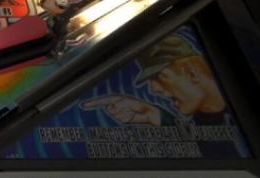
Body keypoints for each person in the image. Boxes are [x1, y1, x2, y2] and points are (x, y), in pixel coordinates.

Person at [80, 35, 231, 128]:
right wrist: (157, 116)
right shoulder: (208, 119)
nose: (153, 89)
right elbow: (206, 147)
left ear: (191, 72)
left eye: (160, 77)